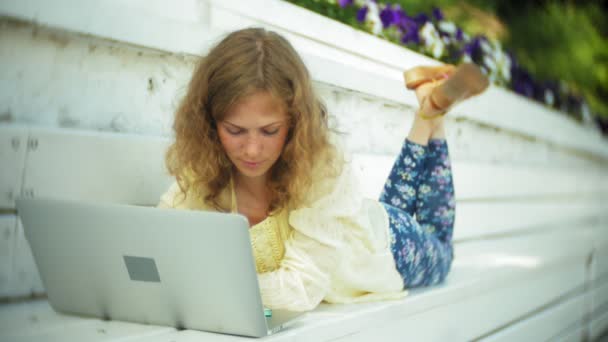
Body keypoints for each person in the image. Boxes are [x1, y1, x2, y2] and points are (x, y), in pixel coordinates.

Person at [157, 28, 489, 311]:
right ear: (210, 123)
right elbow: (161, 240)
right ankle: (430, 111)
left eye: (270, 131)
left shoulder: (321, 166)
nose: (252, 150)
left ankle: (433, 117)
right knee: (397, 203)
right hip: (355, 222)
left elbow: (302, 287)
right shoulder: (201, 173)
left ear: (295, 122)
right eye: (235, 130)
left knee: (442, 249)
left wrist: (215, 288)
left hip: (387, 250)